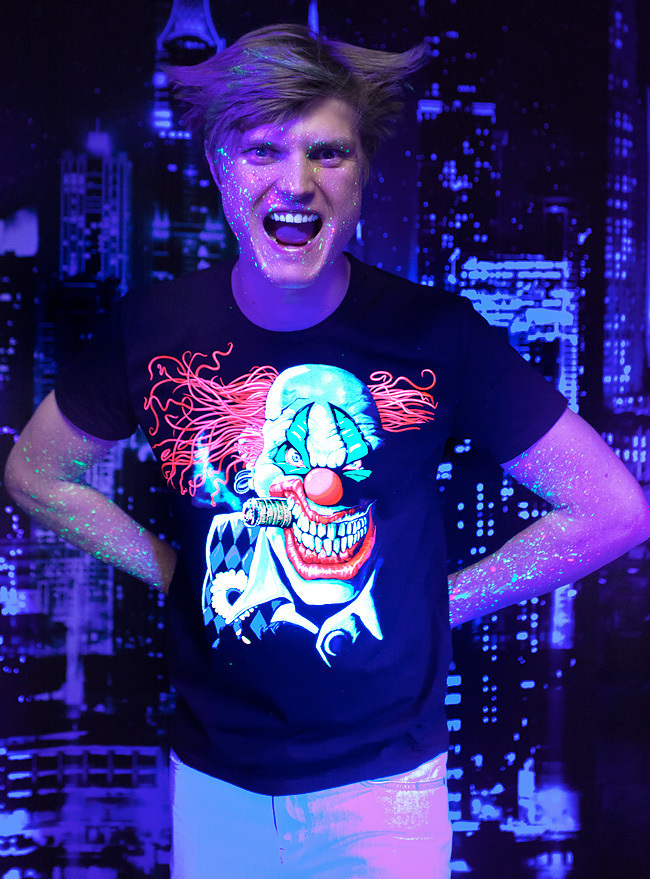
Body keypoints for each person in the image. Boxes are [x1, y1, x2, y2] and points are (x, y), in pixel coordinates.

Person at [5, 23, 649, 879]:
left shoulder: (437, 334)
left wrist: (436, 603)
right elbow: (35, 474)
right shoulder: (153, 327)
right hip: (215, 782)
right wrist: (173, 570)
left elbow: (612, 509)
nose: (296, 182)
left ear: (363, 171)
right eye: (262, 150)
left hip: (387, 793)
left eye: (328, 152)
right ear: (219, 166)